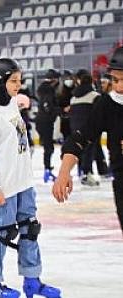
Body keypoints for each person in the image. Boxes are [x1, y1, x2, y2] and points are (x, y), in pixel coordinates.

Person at [0, 58, 61, 298]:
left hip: (24, 181)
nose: (18, 85)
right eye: (13, 81)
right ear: (0, 82)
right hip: (3, 186)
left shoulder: (11, 104)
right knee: (4, 231)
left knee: (30, 228)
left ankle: (32, 280)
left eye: (20, 81)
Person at [53, 46, 123, 234]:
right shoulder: (107, 104)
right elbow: (80, 138)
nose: (119, 87)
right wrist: (64, 171)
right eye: (115, 80)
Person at [69, 72, 105, 186]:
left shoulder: (73, 97)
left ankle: (83, 173)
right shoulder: (95, 96)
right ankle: (87, 174)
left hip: (75, 128)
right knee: (89, 151)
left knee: (80, 151)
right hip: (89, 128)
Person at [35, 69, 61, 183]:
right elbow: (47, 107)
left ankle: (47, 169)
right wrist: (60, 110)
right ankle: (47, 170)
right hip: (45, 122)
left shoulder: (43, 89)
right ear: (54, 80)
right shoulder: (48, 90)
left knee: (48, 147)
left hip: (42, 122)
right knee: (49, 147)